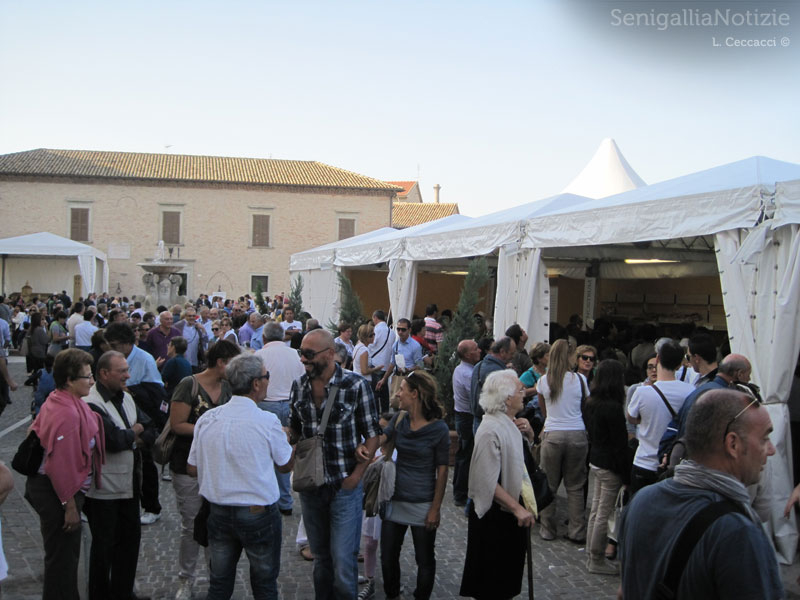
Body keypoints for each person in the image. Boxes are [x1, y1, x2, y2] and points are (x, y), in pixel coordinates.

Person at [619, 389, 783, 599]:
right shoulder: (737, 533)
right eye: (764, 438)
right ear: (733, 444)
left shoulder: (641, 500)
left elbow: (624, 591)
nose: (771, 450)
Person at [187, 353, 294, 600]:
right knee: (265, 582)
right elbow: (286, 465)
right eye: (267, 377)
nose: (268, 382)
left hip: (219, 510)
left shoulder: (208, 418)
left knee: (219, 584)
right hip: (257, 512)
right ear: (256, 383)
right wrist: (288, 442)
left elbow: (192, 468)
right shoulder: (267, 421)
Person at [288, 329, 382, 599]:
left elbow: (373, 434)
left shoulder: (355, 386)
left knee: (343, 561)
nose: (303, 359)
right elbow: (297, 428)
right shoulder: (299, 386)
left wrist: (356, 476)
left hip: (344, 485)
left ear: (330, 354)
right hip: (311, 485)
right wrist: (286, 435)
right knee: (321, 560)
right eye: (301, 353)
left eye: (309, 354)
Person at [24, 349, 106, 600]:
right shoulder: (68, 413)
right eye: (87, 377)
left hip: (56, 490)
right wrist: (69, 505)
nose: (91, 382)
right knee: (62, 560)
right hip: (57, 493)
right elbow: (59, 465)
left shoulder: (60, 400)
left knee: (63, 558)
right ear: (70, 380)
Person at [169, 339, 240, 600]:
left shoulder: (228, 388)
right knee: (190, 525)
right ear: (221, 363)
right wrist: (210, 428)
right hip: (187, 464)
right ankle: (185, 579)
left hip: (218, 466)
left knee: (216, 525)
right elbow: (177, 424)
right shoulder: (189, 384)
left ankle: (216, 579)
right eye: (233, 364)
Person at [83, 350, 157, 600]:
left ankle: (123, 593)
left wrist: (134, 435)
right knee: (104, 548)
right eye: (122, 371)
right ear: (104, 374)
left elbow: (150, 428)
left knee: (129, 543)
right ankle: (100, 595)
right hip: (103, 488)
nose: (128, 375)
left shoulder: (126, 397)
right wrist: (133, 432)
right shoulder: (91, 402)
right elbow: (112, 440)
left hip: (129, 484)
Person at [460, 369, 535, 600]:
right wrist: (516, 508)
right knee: (493, 585)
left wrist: (530, 435)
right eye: (519, 390)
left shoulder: (510, 424)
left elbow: (523, 466)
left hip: (508, 517)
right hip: (495, 519)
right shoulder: (490, 430)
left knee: (507, 582)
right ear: (506, 397)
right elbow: (486, 481)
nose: (524, 393)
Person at [373, 372, 449, 600]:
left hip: (423, 502)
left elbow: (443, 470)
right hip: (394, 498)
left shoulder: (439, 429)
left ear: (415, 394)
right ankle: (392, 595)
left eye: (402, 389)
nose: (398, 393)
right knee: (387, 556)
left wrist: (435, 508)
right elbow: (381, 440)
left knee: (424, 558)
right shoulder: (399, 419)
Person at [537, 338, 589, 542]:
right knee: (575, 486)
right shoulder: (580, 381)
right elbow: (585, 406)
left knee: (549, 484)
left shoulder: (543, 381)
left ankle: (547, 529)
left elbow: (544, 411)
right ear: (571, 357)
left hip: (553, 433)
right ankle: (577, 530)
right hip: (577, 433)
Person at [626, 340, 693, 494]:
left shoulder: (643, 392)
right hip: (673, 464)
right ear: (679, 365)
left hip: (644, 462)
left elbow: (631, 418)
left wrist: (646, 419)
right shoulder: (690, 391)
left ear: (657, 360)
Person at [583, 359, 630, 575]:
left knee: (596, 510)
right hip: (609, 463)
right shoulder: (612, 408)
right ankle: (596, 557)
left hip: (596, 459)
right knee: (603, 512)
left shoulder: (591, 402)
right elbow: (620, 445)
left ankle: (592, 554)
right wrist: (626, 475)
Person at [254, 322, 305, 516]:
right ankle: (285, 499)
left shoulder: (259, 356)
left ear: (264, 338)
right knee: (285, 451)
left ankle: (272, 497)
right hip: (290, 403)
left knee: (266, 452)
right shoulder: (295, 354)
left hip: (268, 404)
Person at [452, 338, 481, 507]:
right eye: (476, 349)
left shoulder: (462, 369)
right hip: (466, 417)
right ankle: (461, 493)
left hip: (462, 415)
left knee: (463, 453)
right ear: (469, 355)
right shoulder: (467, 374)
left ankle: (459, 489)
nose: (479, 351)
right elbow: (476, 396)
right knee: (466, 455)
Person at [469, 337, 517, 429]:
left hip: (477, 420)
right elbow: (505, 400)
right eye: (512, 353)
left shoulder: (478, 366)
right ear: (502, 352)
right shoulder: (498, 373)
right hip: (493, 422)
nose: (513, 356)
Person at [376, 318, 423, 405]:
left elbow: (420, 365)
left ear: (409, 330)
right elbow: (392, 363)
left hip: (410, 379)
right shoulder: (396, 345)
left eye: (403, 329)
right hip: (398, 378)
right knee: (396, 404)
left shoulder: (415, 346)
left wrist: (408, 369)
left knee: (408, 406)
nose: (400, 332)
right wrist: (384, 379)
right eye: (398, 329)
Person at [368, 310, 395, 412]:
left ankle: (375, 412)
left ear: (375, 317)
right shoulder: (391, 332)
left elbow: (372, 344)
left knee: (375, 390)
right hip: (387, 364)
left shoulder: (376, 330)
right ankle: (385, 412)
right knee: (384, 391)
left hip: (376, 363)